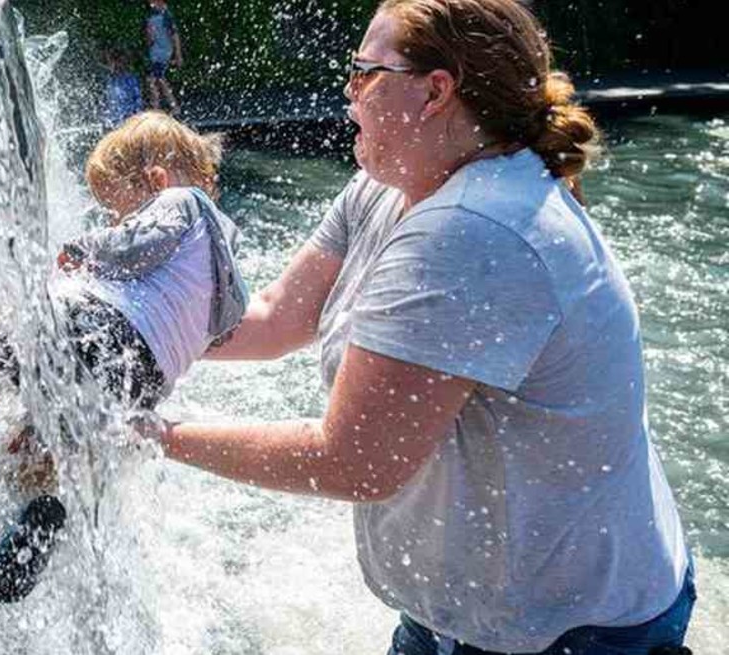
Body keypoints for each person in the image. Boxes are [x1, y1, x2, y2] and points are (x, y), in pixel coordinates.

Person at [144, 1, 696, 653]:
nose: (348, 91)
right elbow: (272, 317)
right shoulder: (386, 185)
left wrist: (154, 435)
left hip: (574, 633)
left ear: (436, 92)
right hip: (469, 615)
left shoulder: (475, 231)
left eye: (365, 73)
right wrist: (125, 329)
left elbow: (351, 460)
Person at [0, 112, 249, 604]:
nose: (113, 222)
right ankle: (42, 510)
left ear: (156, 180)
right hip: (139, 384)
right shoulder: (226, 266)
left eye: (116, 211)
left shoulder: (179, 201)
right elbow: (222, 327)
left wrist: (86, 248)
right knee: (41, 439)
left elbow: (142, 243)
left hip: (97, 334)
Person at [144, 0, 182, 115]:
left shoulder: (166, 15)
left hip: (161, 54)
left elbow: (175, 35)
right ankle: (169, 106)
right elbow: (150, 39)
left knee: (153, 79)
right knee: (159, 79)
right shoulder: (153, 15)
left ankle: (158, 107)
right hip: (156, 53)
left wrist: (178, 55)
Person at [102, 49, 143, 127]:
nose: (111, 66)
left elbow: (138, 100)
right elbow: (104, 102)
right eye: (110, 63)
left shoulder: (130, 79)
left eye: (113, 63)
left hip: (127, 119)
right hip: (111, 120)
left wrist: (136, 117)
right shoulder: (107, 79)